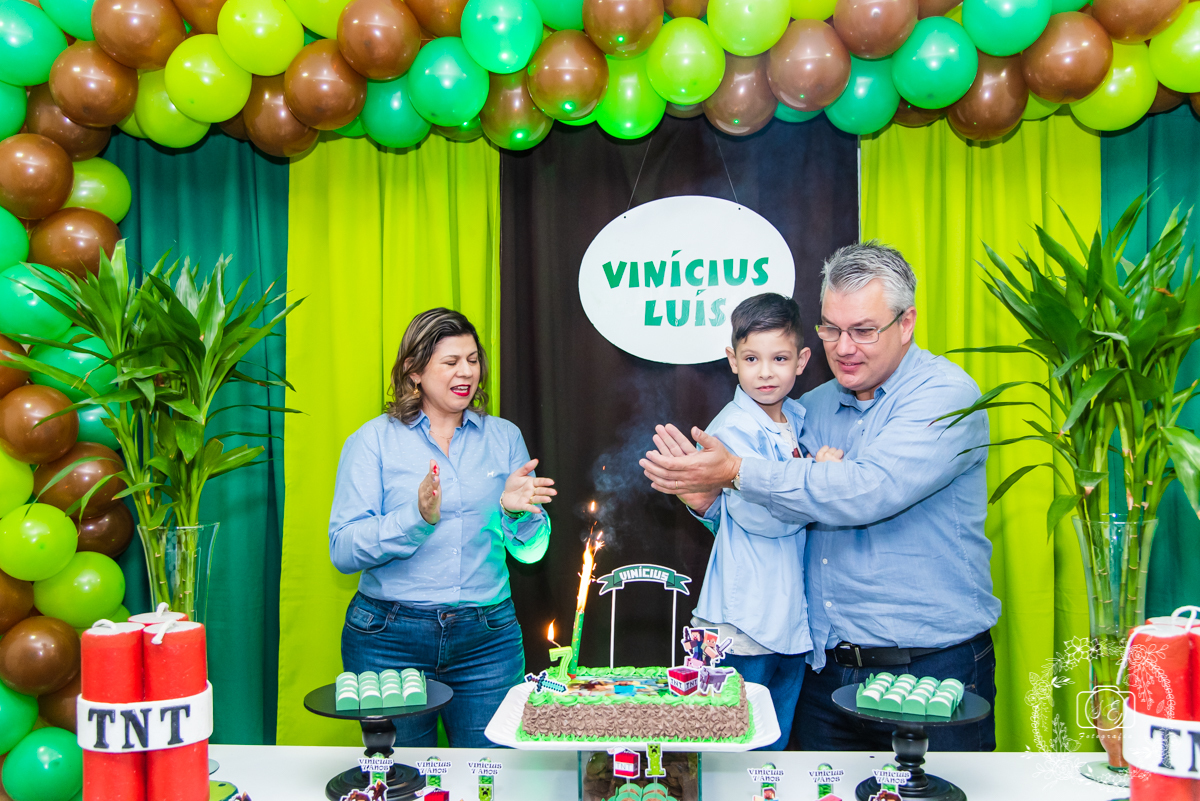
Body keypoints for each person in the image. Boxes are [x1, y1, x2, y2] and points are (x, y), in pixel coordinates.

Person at [641, 243, 1001, 751]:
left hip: (929, 671)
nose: (844, 347)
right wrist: (711, 502)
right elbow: (781, 508)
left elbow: (868, 490)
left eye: (863, 330)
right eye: (831, 329)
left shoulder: (946, 398)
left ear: (906, 323)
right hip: (821, 674)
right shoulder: (808, 407)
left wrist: (737, 471)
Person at [329, 307, 557, 748]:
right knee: (404, 775)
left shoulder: (504, 438)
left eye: (472, 360)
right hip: (389, 640)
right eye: (450, 362)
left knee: (491, 773)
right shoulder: (372, 441)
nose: (466, 372)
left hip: (487, 641)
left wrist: (515, 514)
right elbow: (342, 550)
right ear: (414, 371)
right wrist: (416, 518)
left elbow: (531, 553)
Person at [683, 293, 840, 751]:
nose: (766, 372)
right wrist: (818, 480)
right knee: (732, 753)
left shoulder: (797, 418)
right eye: (752, 359)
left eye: (779, 358)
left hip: (788, 624)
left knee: (773, 753)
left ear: (802, 361)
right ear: (733, 361)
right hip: (742, 627)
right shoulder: (730, 431)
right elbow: (763, 517)